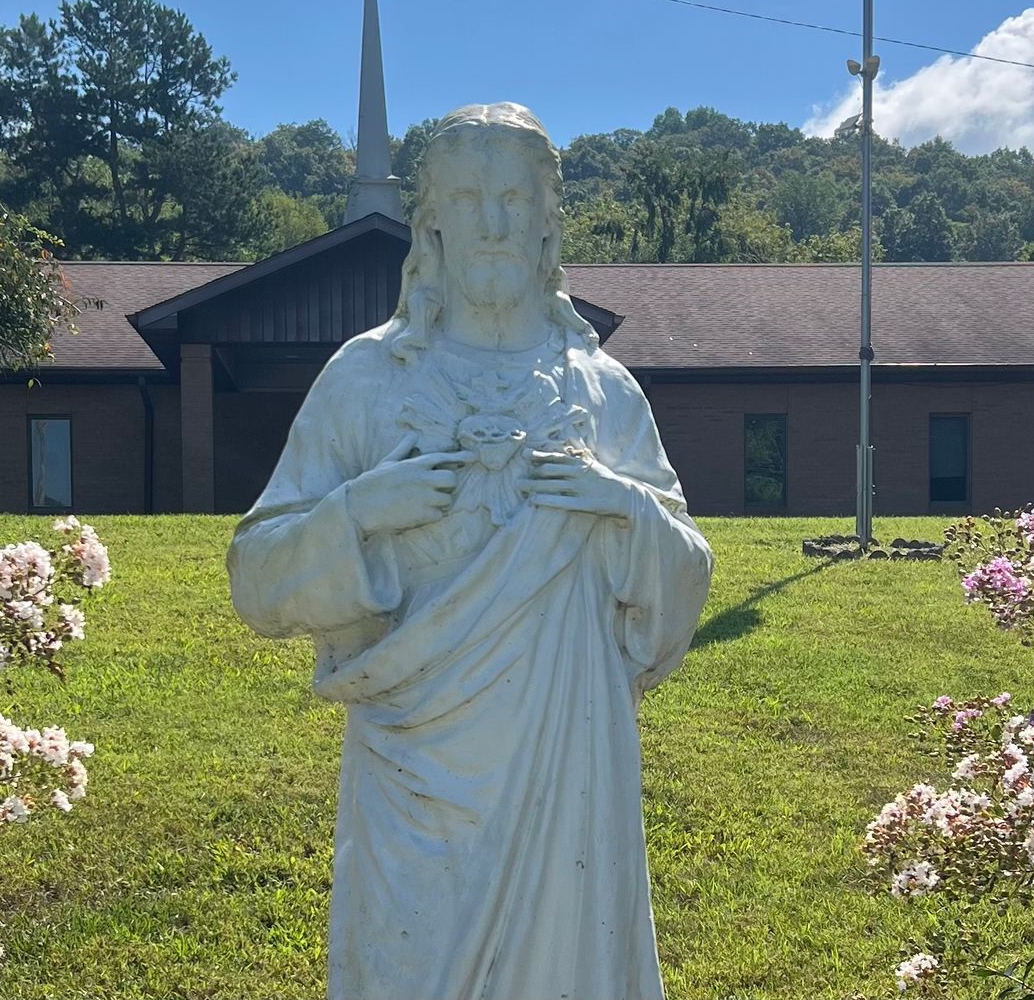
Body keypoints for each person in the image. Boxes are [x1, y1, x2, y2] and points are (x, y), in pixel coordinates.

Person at [228, 101, 714, 1000]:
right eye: (467, 197)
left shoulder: (603, 393)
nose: (492, 222)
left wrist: (626, 511)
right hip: (410, 779)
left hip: (570, 768)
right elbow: (257, 579)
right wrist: (357, 514)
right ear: (433, 223)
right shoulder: (368, 378)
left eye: (513, 199)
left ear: (547, 222)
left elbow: (686, 579)